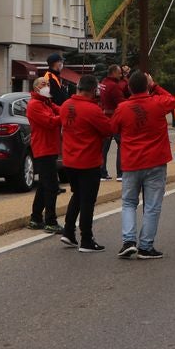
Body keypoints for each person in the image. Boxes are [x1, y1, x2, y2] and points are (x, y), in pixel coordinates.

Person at [113, 70, 175, 259]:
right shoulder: (157, 102)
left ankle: (128, 240)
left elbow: (112, 128)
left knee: (128, 202)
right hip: (156, 161)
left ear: (130, 88)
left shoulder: (122, 108)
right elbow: (171, 100)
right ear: (147, 85)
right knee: (152, 205)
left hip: (132, 161)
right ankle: (146, 245)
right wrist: (154, 85)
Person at [58, 74, 113, 252]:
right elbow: (107, 130)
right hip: (88, 160)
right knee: (88, 200)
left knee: (77, 195)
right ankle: (86, 239)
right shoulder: (92, 110)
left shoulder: (66, 106)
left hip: (69, 159)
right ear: (93, 90)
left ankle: (68, 231)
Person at [26, 76, 63, 233]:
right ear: (36, 88)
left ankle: (35, 218)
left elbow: (59, 110)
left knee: (43, 185)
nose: (47, 86)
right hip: (43, 148)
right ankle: (50, 220)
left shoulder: (46, 102)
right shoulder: (35, 105)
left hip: (50, 148)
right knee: (51, 186)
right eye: (43, 84)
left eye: (48, 84)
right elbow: (50, 122)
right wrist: (66, 116)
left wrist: (69, 109)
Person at [98, 64, 125, 181]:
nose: (121, 75)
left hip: (105, 117)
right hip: (114, 117)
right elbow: (121, 102)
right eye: (119, 73)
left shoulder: (103, 83)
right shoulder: (114, 86)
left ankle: (102, 172)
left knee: (104, 147)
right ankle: (120, 173)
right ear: (113, 73)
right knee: (121, 144)